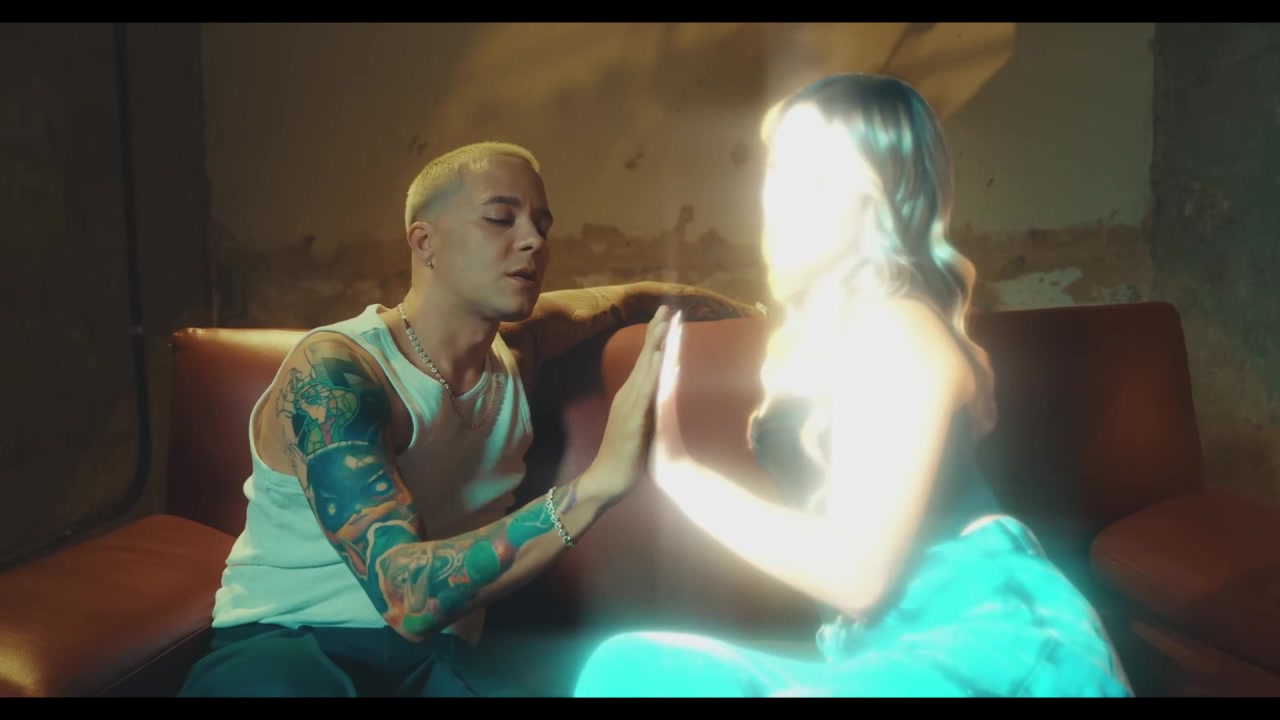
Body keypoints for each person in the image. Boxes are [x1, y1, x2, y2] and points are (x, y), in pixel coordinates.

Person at [572, 74, 1135, 698]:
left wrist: (680, 473)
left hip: (997, 642)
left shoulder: (900, 326)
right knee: (635, 670)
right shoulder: (814, 342)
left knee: (632, 672)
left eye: (817, 174)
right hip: (886, 653)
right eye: (777, 168)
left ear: (882, 195)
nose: (782, 196)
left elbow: (857, 575)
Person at [178, 141, 678, 697]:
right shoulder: (335, 372)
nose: (533, 240)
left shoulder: (521, 351)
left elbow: (627, 300)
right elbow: (405, 595)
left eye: (542, 225)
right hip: (289, 648)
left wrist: (738, 315)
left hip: (439, 662)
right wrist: (596, 486)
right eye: (500, 218)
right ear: (425, 242)